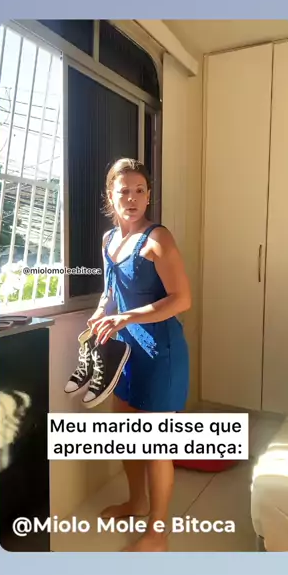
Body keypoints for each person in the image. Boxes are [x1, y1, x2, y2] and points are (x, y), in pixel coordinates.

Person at [89, 157, 191, 552]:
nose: (131, 198)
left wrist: (126, 317)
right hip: (127, 354)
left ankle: (157, 534)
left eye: (139, 190)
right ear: (110, 196)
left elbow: (182, 299)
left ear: (148, 196)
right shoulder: (108, 240)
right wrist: (101, 314)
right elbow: (111, 290)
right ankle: (136, 503)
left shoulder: (157, 239)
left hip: (161, 353)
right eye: (123, 191)